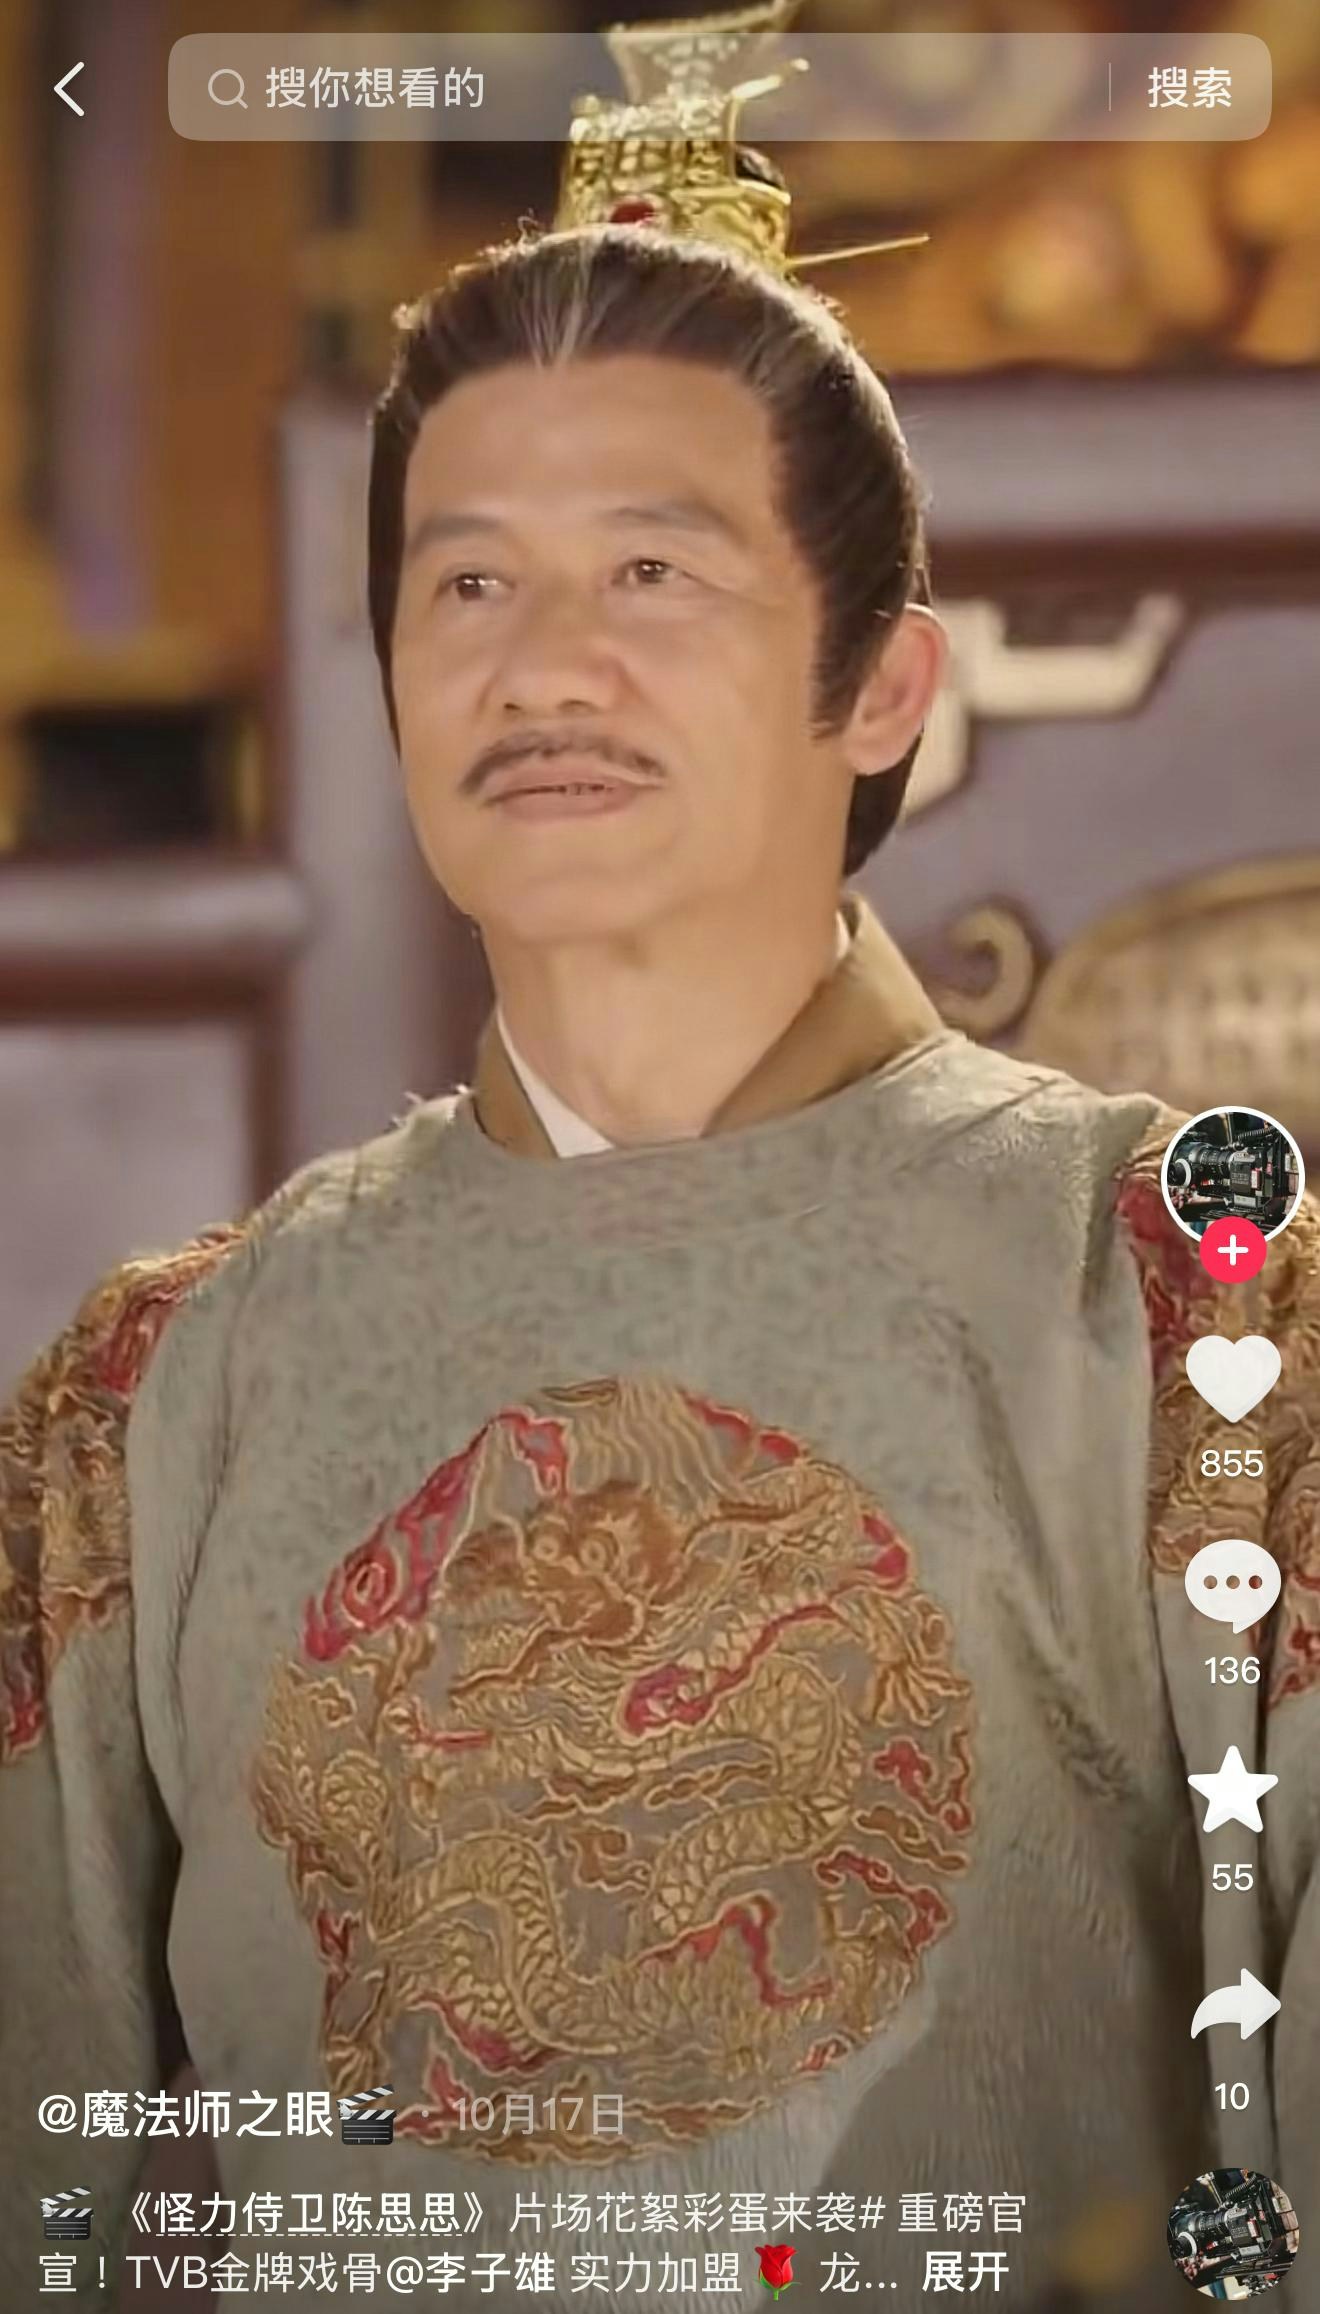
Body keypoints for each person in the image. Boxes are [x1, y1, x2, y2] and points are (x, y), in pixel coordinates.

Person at [3, 8, 1317, 2308]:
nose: (545, 668)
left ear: (883, 682)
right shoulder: (162, 1391)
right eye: (467, 584)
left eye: (651, 573)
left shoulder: (1190, 1309)